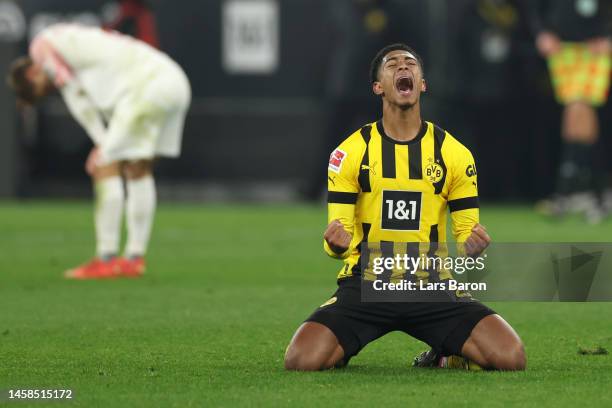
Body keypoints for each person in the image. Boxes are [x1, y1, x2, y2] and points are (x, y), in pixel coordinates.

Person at [284, 44, 526, 371]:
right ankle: (345, 342)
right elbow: (338, 240)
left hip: (431, 285)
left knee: (511, 357)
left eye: (410, 63)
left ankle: (445, 353)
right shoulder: (350, 153)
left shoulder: (454, 154)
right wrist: (334, 244)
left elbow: (467, 232)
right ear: (378, 87)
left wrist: (474, 245)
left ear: (422, 84)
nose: (403, 67)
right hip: (367, 284)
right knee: (301, 360)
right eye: (392, 64)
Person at [7, 23, 191, 279]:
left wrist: (102, 144)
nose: (46, 92)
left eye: (37, 90)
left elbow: (75, 93)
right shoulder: (76, 44)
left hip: (146, 87)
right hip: (173, 80)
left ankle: (106, 258)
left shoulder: (41, 47)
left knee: (104, 165)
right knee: (138, 168)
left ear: (31, 73)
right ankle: (134, 259)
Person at [520, 0, 612, 222]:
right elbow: (534, 9)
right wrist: (542, 33)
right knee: (579, 117)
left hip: (594, 50)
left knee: (578, 110)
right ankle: (597, 194)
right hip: (564, 51)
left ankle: (565, 193)